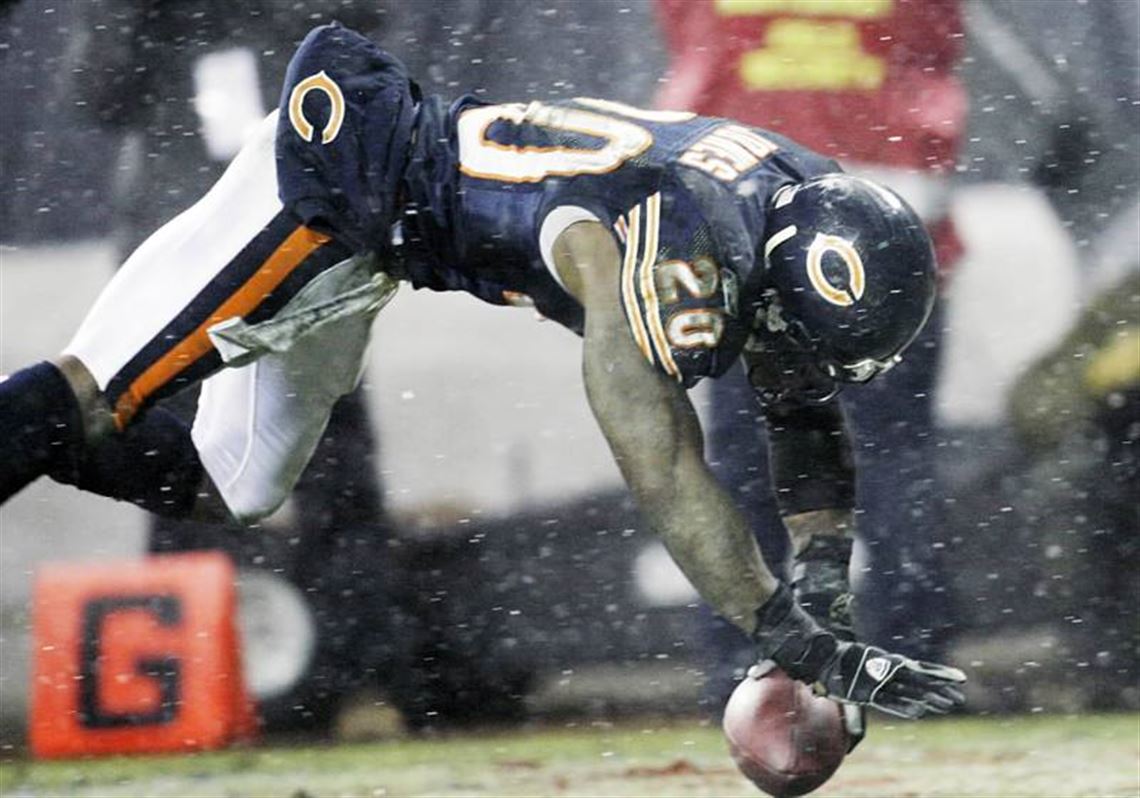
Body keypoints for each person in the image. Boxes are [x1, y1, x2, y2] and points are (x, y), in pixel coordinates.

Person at [0, 23, 965, 730]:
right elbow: (664, 467)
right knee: (96, 390)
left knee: (235, 486)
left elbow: (799, 409)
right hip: (335, 182)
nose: (795, 353)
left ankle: (43, 437)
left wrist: (825, 585)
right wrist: (781, 630)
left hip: (382, 255)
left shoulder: (785, 205)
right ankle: (41, 423)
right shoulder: (667, 249)